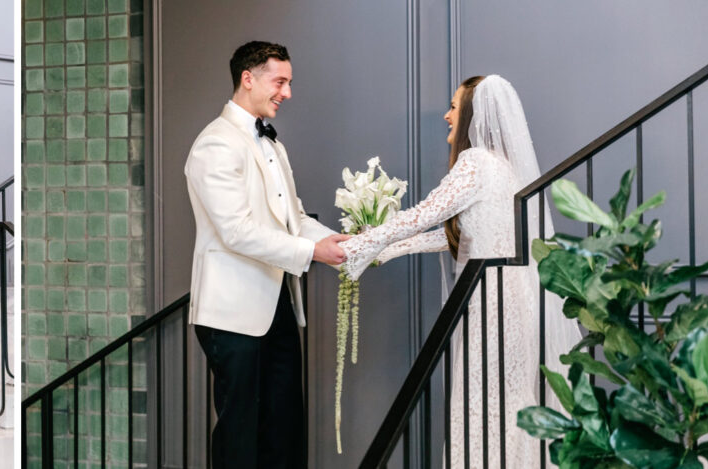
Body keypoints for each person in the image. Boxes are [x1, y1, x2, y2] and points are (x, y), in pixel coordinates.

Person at [339, 75, 579, 467]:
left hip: (489, 304)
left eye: (454, 107)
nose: (447, 116)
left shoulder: (475, 163)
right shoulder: (504, 168)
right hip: (517, 300)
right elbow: (464, 238)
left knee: (483, 401)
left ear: (471, 114)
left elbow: (424, 214)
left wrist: (363, 244)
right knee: (512, 401)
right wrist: (389, 249)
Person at [183, 41, 349, 469]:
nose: (287, 92)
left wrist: (346, 244)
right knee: (241, 435)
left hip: (276, 303)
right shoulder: (214, 144)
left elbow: (292, 218)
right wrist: (311, 252)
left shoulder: (273, 144)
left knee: (283, 428)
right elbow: (236, 231)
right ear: (248, 79)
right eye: (281, 81)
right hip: (232, 313)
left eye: (289, 83)